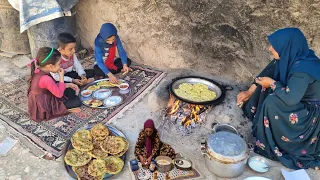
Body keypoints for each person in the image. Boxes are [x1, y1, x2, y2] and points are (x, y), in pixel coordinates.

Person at [237, 28, 320, 170]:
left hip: (307, 114)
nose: (270, 49)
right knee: (267, 84)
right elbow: (267, 73)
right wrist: (249, 92)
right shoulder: (290, 56)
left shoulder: (302, 69)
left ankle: (276, 141)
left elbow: (290, 99)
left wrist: (273, 84)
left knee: (272, 101)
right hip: (295, 97)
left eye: (273, 46)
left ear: (286, 47)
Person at [28, 47, 81, 122]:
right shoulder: (46, 78)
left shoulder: (40, 69)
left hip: (47, 95)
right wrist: (61, 76)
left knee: (69, 89)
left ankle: (71, 99)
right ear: (50, 66)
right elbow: (59, 94)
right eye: (59, 64)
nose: (60, 66)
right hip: (44, 104)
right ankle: (69, 106)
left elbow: (52, 86)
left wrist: (67, 85)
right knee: (77, 102)